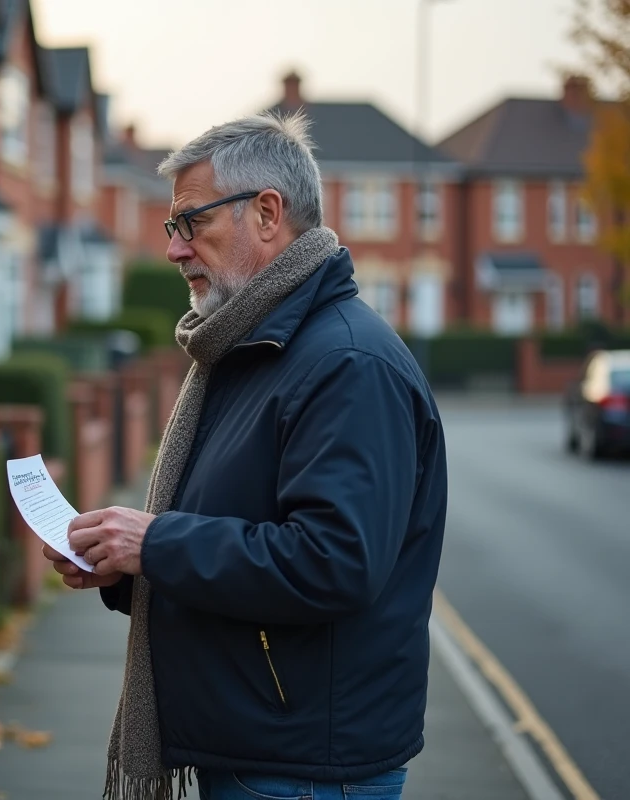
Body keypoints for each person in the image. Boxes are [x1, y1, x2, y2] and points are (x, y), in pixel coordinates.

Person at [43, 111, 448, 800]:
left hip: (304, 770)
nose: (175, 249)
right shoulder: (254, 349)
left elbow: (333, 563)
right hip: (263, 747)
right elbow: (237, 525)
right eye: (172, 226)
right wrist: (126, 567)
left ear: (266, 214)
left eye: (191, 222)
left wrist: (155, 544)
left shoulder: (346, 364)